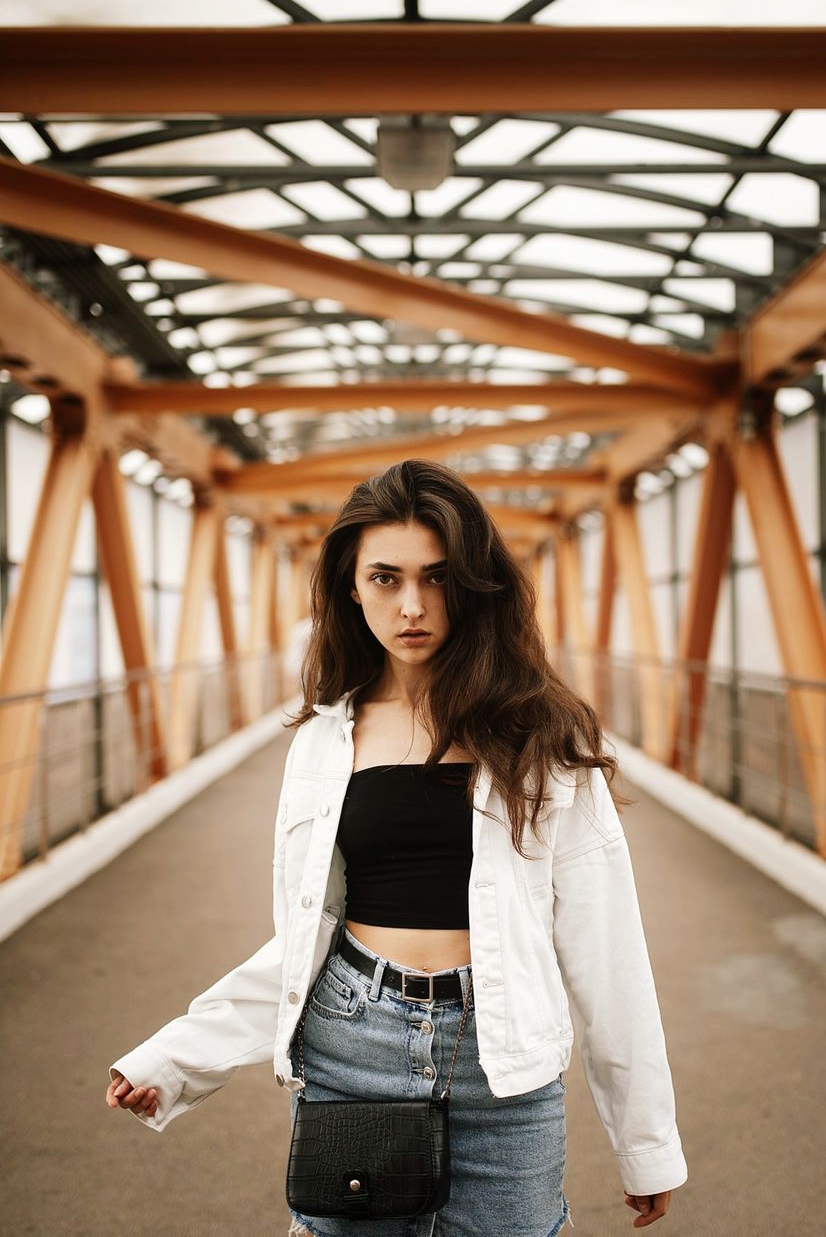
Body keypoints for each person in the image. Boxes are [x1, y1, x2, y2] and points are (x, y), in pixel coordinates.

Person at [106, 458, 688, 1234]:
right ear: (351, 587)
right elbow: (305, 939)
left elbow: (605, 944)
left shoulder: (540, 733)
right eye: (385, 578)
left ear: (475, 584)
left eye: (438, 578)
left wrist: (645, 1143)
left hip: (503, 1064)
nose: (412, 605)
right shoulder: (321, 741)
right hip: (352, 1044)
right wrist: (177, 1059)